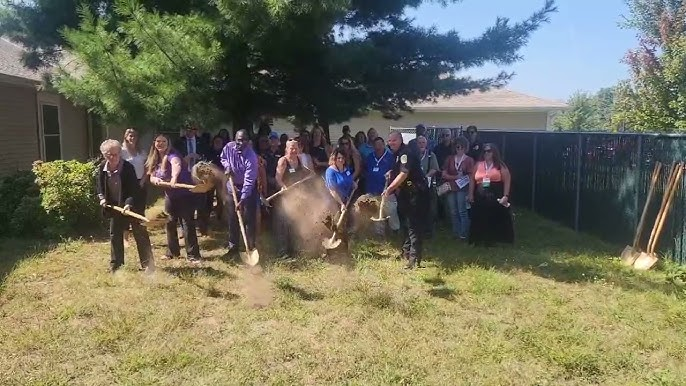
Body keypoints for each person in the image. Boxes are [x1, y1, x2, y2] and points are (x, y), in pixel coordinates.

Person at [97, 139, 154, 274]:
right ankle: (116, 266)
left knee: (139, 233)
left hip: (133, 204)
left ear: (120, 153)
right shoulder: (102, 167)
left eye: (115, 154)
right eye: (108, 154)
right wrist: (102, 198)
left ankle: (148, 265)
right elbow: (99, 186)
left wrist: (128, 204)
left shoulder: (127, 167)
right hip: (114, 206)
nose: (112, 157)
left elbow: (133, 189)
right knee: (115, 235)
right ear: (104, 155)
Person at [147, 134, 203, 264]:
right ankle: (172, 252)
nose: (160, 143)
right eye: (158, 141)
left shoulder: (172, 154)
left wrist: (174, 178)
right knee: (170, 223)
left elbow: (176, 164)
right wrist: (154, 179)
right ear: (154, 143)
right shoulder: (155, 158)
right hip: (170, 195)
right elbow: (151, 175)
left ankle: (193, 255)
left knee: (187, 224)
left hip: (185, 195)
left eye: (164, 141)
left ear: (168, 143)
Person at [383, 131, 429, 269]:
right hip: (406, 194)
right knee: (406, 224)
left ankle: (414, 260)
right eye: (389, 140)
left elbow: (404, 173)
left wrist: (390, 188)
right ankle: (406, 252)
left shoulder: (405, 153)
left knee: (414, 227)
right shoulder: (397, 154)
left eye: (394, 140)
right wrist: (391, 174)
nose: (391, 143)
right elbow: (398, 171)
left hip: (416, 194)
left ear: (400, 140)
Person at [220, 129, 259, 257]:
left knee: (248, 219)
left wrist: (242, 199)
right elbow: (223, 157)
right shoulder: (229, 147)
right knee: (233, 218)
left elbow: (249, 180)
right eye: (238, 140)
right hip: (232, 186)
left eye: (242, 141)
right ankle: (233, 248)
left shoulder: (251, 157)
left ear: (248, 142)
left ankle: (250, 247)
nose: (239, 143)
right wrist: (227, 167)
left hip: (248, 190)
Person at [274, 139, 315, 258]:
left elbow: (307, 172)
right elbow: (278, 178)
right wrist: (284, 187)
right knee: (284, 224)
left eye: (296, 148)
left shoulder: (299, 159)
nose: (293, 150)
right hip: (285, 197)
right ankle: (283, 251)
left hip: (297, 196)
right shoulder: (283, 161)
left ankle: (294, 249)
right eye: (291, 148)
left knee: (294, 222)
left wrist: (311, 173)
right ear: (286, 149)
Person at [468, 143, 514, 246]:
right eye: (485, 151)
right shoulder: (478, 165)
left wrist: (505, 196)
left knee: (493, 217)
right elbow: (472, 179)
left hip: (495, 194)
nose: (486, 153)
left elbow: (507, 180)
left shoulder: (500, 165)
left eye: (489, 151)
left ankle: (493, 240)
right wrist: (470, 194)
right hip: (480, 195)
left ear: (494, 152)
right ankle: (478, 240)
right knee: (480, 217)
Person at [441, 136, 475, 240]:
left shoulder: (469, 160)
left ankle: (463, 234)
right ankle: (456, 233)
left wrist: (470, 193)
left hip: (463, 189)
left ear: (466, 148)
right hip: (451, 188)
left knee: (462, 211)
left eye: (462, 147)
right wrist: (456, 177)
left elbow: (471, 177)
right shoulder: (450, 159)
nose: (459, 149)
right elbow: (443, 174)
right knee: (453, 211)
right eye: (457, 147)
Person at [364, 136, 397, 235]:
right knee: (375, 211)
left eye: (380, 144)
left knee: (391, 210)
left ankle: (395, 230)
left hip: (386, 191)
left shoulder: (390, 157)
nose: (378, 146)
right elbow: (364, 170)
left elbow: (396, 172)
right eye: (375, 144)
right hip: (372, 190)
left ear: (384, 145)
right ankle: (379, 234)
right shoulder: (370, 157)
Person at [120, 127, 147, 245]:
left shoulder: (141, 151)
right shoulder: (121, 152)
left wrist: (142, 181)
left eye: (134, 136)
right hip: (127, 184)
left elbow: (147, 168)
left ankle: (140, 237)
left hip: (140, 183)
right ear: (126, 137)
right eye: (130, 136)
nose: (132, 138)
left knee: (140, 210)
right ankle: (125, 238)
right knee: (127, 210)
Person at [325, 148, 358, 236]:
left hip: (346, 198)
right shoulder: (330, 172)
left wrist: (353, 183)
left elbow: (349, 179)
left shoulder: (346, 169)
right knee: (337, 222)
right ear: (334, 159)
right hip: (334, 201)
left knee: (347, 220)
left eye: (342, 158)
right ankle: (336, 239)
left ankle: (347, 237)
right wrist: (341, 204)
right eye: (338, 158)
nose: (341, 160)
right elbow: (332, 190)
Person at [418, 135, 440, 238]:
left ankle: (429, 232)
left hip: (429, 185)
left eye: (423, 143)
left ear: (426, 144)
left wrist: (426, 176)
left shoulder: (431, 155)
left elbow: (435, 169)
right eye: (419, 142)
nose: (421, 144)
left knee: (430, 209)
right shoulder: (413, 155)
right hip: (416, 185)